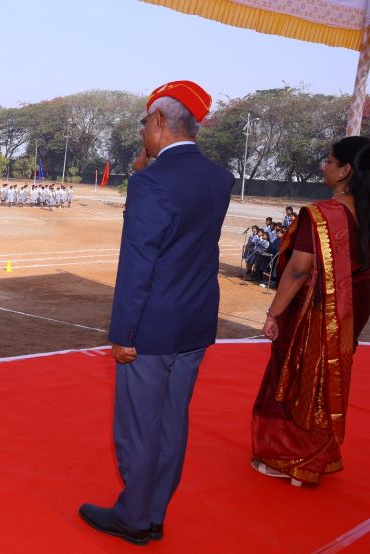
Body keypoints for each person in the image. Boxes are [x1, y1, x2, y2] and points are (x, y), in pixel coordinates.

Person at [78, 81, 233, 546]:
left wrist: (124, 332)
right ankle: (156, 512)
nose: (143, 130)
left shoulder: (150, 183)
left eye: (146, 122)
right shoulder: (219, 178)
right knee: (172, 424)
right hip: (196, 321)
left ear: (161, 122)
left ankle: (133, 517)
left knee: (137, 428)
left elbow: (139, 262)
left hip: (151, 327)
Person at [252, 136, 370, 487]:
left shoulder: (323, 216)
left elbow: (299, 270)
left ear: (346, 170)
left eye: (330, 161)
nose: (324, 166)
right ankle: (317, 456)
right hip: (348, 317)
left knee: (294, 380)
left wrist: (274, 313)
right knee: (326, 383)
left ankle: (290, 457)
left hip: (313, 315)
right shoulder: (363, 215)